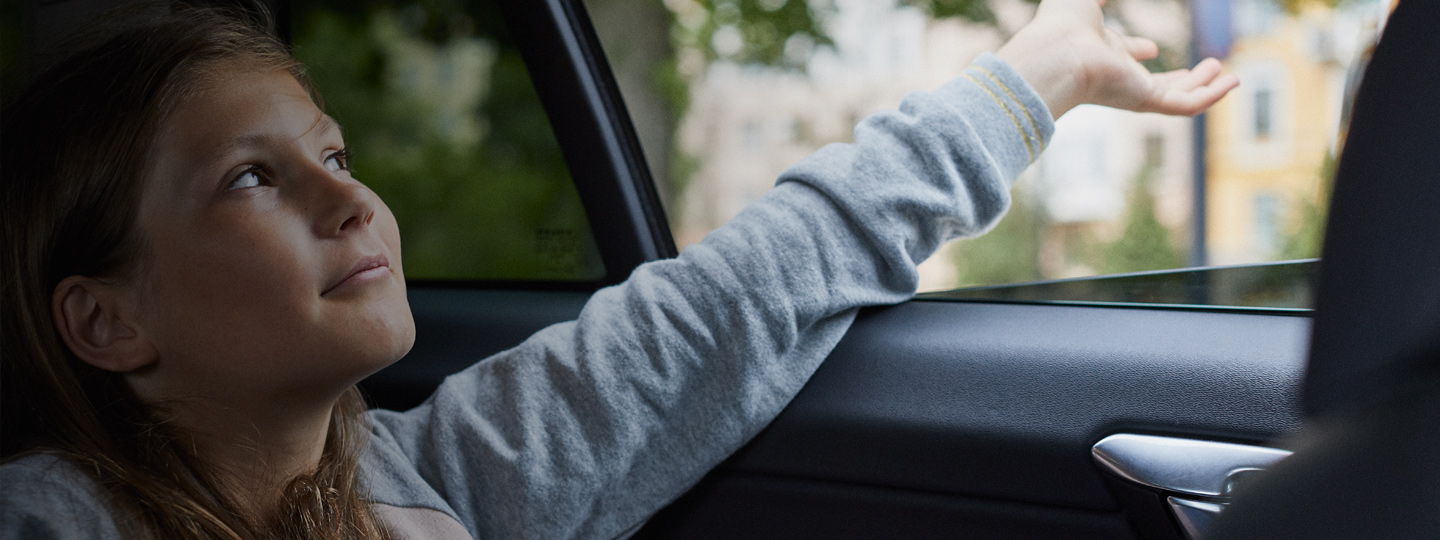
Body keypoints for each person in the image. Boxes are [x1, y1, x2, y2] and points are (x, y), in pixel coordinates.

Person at [0, 0, 1237, 538]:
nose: (348, 197)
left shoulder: (437, 484)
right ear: (106, 321)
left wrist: (1033, 83)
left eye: (331, 149)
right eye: (252, 178)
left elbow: (729, 304)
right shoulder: (53, 518)